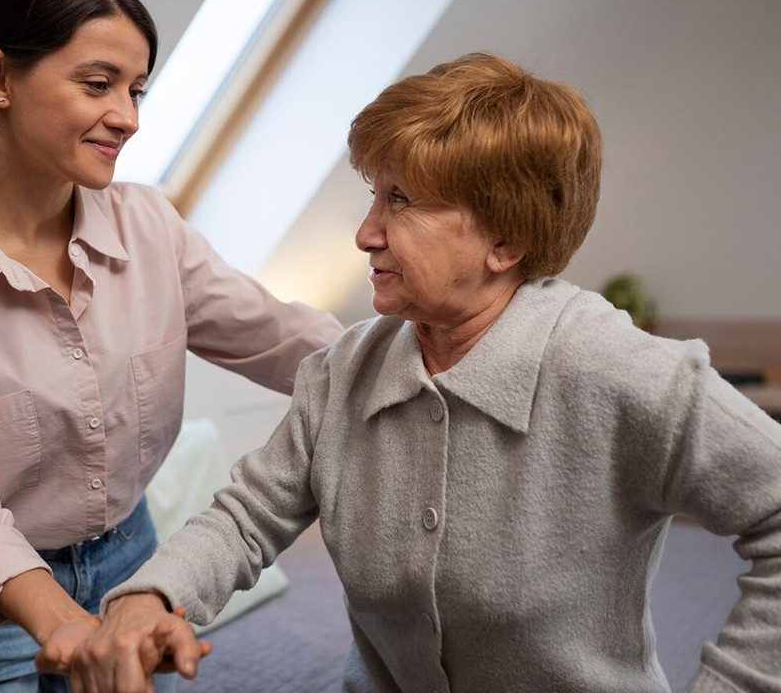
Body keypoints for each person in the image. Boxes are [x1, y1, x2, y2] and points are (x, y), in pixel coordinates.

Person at [38, 52, 781, 693]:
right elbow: (246, 517)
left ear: (507, 238)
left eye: (401, 201)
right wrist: (153, 594)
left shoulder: (618, 372)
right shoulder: (344, 372)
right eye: (373, 194)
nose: (366, 233)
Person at [0, 0, 342, 691]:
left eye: (136, 90)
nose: (128, 117)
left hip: (131, 565)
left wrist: (434, 347)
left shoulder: (149, 226)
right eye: (99, 83)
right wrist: (65, 625)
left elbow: (279, 337)